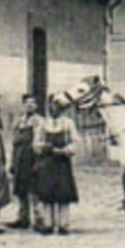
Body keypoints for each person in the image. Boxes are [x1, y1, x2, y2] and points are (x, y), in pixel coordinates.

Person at [33, 93, 80, 234]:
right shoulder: (42, 124)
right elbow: (35, 143)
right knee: (47, 193)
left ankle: (63, 224)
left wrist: (66, 150)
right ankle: (48, 224)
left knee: (63, 193)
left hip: (62, 162)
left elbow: (76, 141)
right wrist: (44, 147)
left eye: (57, 106)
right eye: (52, 106)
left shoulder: (68, 123)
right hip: (47, 161)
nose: (54, 109)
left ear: (62, 108)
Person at [7, 94, 42, 230]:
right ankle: (22, 218)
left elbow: (39, 141)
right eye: (27, 103)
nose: (30, 106)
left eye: (33, 103)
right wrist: (12, 163)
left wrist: (37, 161)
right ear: (23, 105)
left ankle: (39, 220)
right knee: (20, 189)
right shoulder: (19, 121)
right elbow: (14, 143)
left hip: (32, 157)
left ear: (36, 106)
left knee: (34, 190)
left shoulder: (39, 121)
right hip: (19, 158)